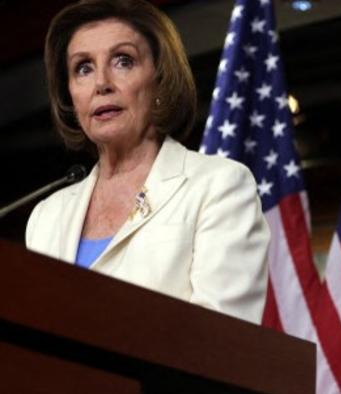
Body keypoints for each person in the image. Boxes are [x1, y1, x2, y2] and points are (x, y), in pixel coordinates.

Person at [25, 0, 270, 325]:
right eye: (83, 68)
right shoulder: (46, 217)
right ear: (70, 94)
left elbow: (222, 341)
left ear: (160, 78)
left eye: (123, 61)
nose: (101, 83)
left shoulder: (219, 186)